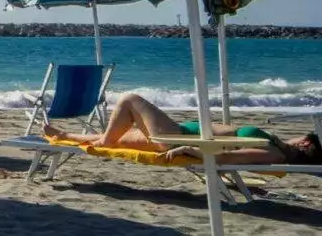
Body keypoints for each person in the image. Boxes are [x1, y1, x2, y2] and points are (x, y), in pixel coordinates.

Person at [59, 93, 322, 166]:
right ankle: (66, 136)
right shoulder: (275, 145)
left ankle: (102, 141)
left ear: (305, 145)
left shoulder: (274, 154)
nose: (297, 136)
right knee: (121, 138)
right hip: (177, 134)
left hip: (177, 139)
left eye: (305, 137)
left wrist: (190, 150)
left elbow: (226, 158)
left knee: (129, 99)